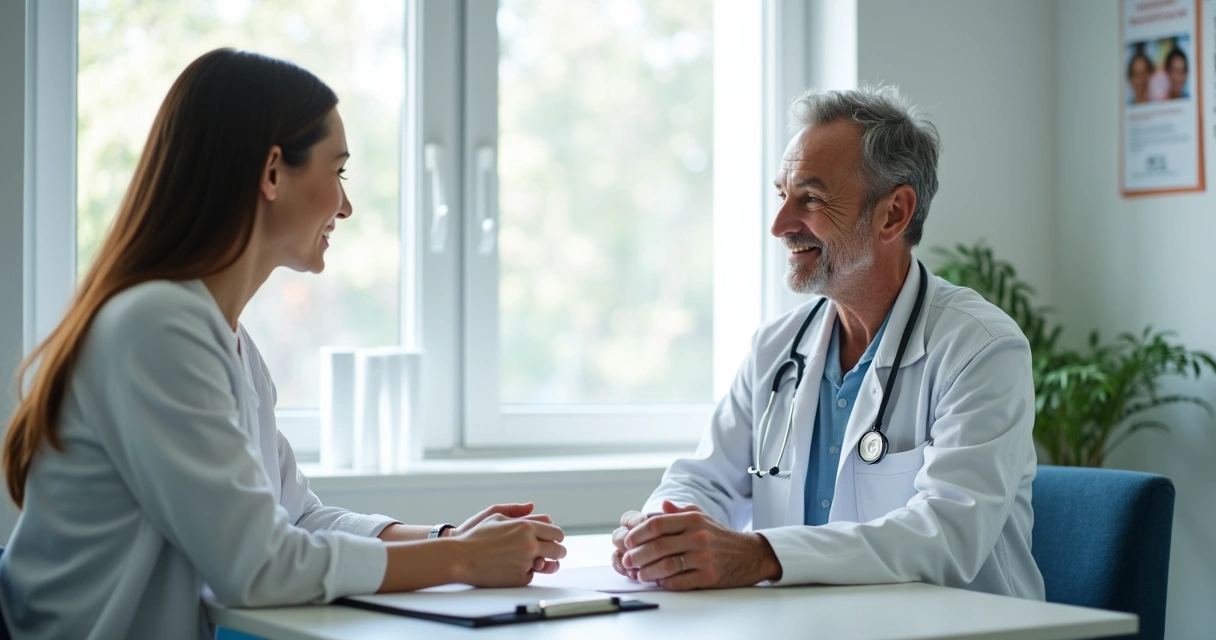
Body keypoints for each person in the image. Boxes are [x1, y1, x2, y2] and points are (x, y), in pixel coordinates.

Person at [0, 49, 565, 640]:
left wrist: (447, 538)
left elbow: (300, 518)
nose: (346, 206)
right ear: (272, 172)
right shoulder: (158, 328)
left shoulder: (224, 339)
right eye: (338, 171)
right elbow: (259, 567)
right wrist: (462, 562)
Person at [610, 86, 1044, 600]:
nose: (780, 225)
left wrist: (760, 556)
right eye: (782, 195)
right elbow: (704, 481)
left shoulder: (980, 349)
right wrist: (662, 531)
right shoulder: (776, 348)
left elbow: (946, 536)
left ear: (893, 214)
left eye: (810, 199)